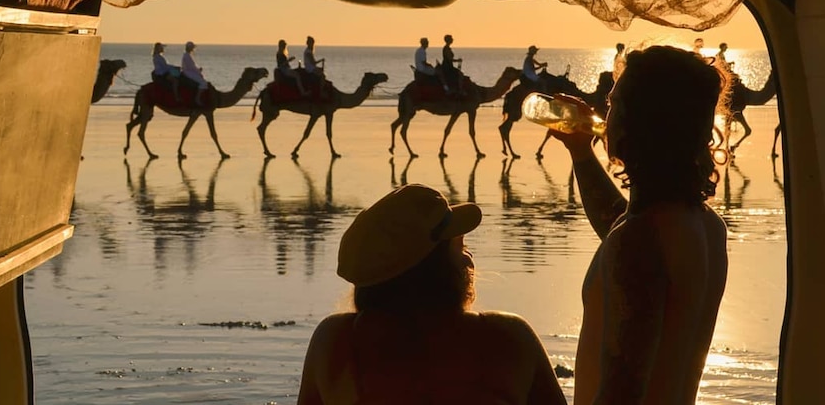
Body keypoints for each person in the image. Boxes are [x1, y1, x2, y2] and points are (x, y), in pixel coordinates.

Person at [549, 45, 729, 405]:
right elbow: (619, 225)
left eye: (614, 104)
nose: (605, 114)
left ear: (641, 120)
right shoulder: (704, 226)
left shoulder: (641, 239)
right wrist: (581, 152)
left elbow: (626, 386)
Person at [297, 184, 568, 405]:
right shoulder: (507, 337)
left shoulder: (335, 343)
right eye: (459, 247)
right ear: (437, 270)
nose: (469, 258)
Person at [181, 41, 208, 107]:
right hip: (188, 72)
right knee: (203, 83)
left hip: (189, 71)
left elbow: (192, 66)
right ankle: (197, 98)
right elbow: (191, 67)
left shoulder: (187, 55)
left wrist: (198, 70)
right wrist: (198, 71)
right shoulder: (187, 56)